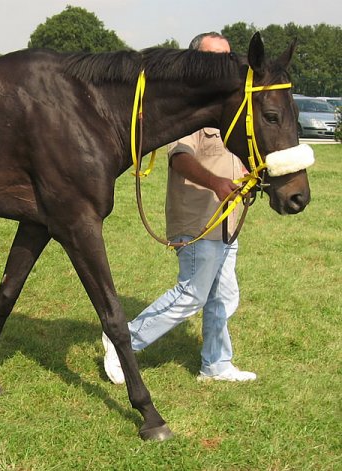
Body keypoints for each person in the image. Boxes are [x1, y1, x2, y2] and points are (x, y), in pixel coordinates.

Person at [103, 32, 257, 384]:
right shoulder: (191, 108)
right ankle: (123, 340)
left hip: (227, 222)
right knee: (192, 293)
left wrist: (242, 173)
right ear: (194, 61)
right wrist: (217, 184)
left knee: (224, 295)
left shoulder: (228, 107)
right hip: (197, 219)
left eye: (227, 57)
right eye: (214, 58)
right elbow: (180, 158)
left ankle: (216, 364)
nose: (223, 65)